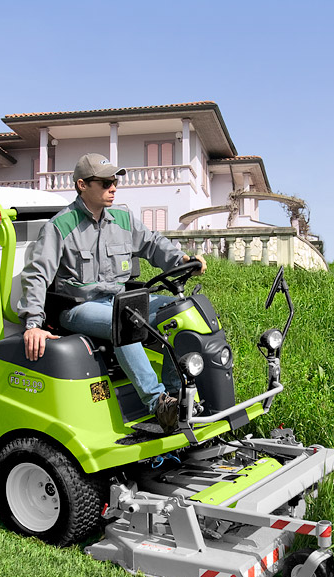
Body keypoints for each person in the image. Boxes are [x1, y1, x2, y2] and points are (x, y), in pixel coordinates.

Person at [18, 153, 205, 432]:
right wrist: (33, 324)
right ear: (82, 185)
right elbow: (37, 274)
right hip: (78, 308)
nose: (113, 187)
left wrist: (181, 261)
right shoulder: (59, 227)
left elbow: (153, 244)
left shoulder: (122, 219)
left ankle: (177, 395)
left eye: (115, 181)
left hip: (120, 301)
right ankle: (158, 404)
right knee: (126, 321)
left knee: (181, 312)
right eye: (105, 183)